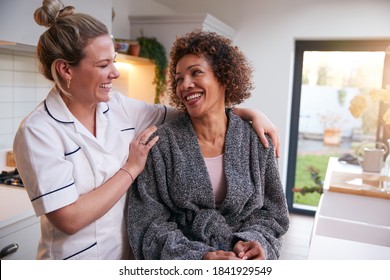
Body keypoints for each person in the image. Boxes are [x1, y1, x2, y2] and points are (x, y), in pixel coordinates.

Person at [12, 0, 280, 260]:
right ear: (65, 69)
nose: (115, 73)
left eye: (114, 61)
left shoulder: (119, 107)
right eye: (104, 64)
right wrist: (132, 167)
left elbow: (191, 112)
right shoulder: (38, 130)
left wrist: (247, 113)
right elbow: (68, 219)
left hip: (126, 259)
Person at [127, 30, 290, 260]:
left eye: (196, 73)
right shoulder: (161, 146)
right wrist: (199, 258)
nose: (185, 85)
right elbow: (147, 222)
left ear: (223, 77)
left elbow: (273, 215)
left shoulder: (257, 141)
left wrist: (257, 244)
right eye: (179, 79)